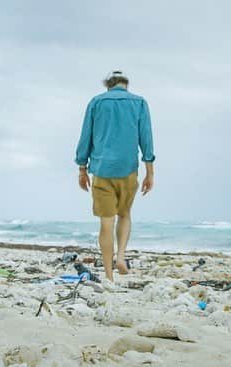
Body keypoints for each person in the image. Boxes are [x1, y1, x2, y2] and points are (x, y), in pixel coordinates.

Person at [75, 70, 155, 287]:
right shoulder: (139, 103)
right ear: (126, 84)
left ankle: (109, 275)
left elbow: (86, 137)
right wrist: (150, 171)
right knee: (125, 214)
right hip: (128, 169)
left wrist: (82, 168)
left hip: (101, 169)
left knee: (106, 223)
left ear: (108, 85)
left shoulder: (96, 102)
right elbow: (146, 138)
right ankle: (121, 256)